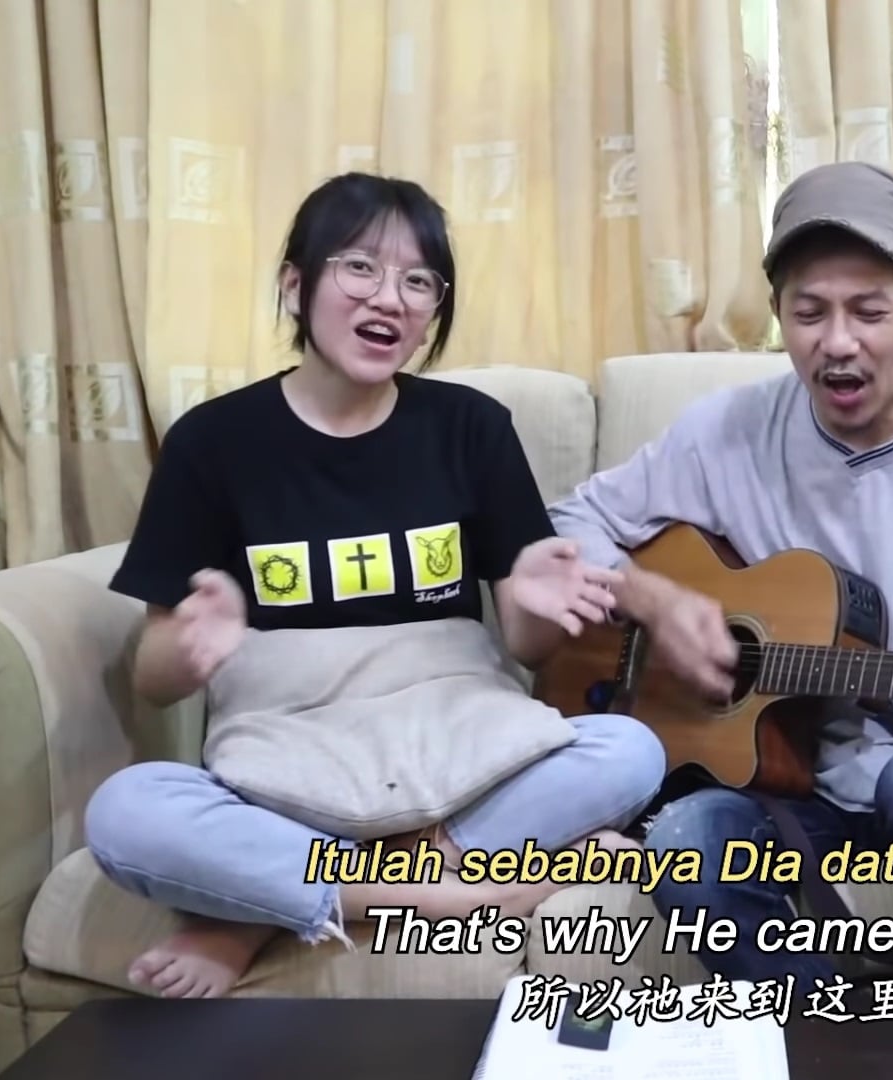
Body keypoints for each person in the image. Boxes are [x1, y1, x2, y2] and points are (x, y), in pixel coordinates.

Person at [83, 172, 668, 999]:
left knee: (630, 751)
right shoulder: (212, 443)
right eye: (359, 267)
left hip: (458, 747)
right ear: (296, 285)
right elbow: (153, 679)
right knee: (126, 811)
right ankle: (451, 892)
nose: (390, 298)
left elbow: (528, 649)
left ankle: (270, 903)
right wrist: (186, 649)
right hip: (290, 759)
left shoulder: (470, 427)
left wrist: (543, 614)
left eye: (418, 281)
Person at [545, 161, 893, 990]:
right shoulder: (728, 432)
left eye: (869, 312)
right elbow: (567, 523)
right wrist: (655, 603)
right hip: (782, 792)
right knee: (686, 838)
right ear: (780, 317)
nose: (837, 342)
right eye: (809, 313)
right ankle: (827, 1032)